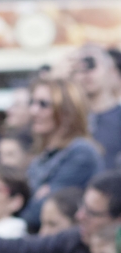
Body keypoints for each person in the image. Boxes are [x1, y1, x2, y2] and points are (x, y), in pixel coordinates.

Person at [22, 78, 104, 231]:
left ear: (67, 111)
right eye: (32, 103)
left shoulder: (81, 151)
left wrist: (33, 199)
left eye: (43, 104)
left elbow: (38, 213)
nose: (33, 111)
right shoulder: (43, 156)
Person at [72, 45, 121, 170]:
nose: (86, 73)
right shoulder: (67, 119)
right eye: (80, 68)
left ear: (111, 71)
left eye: (92, 64)